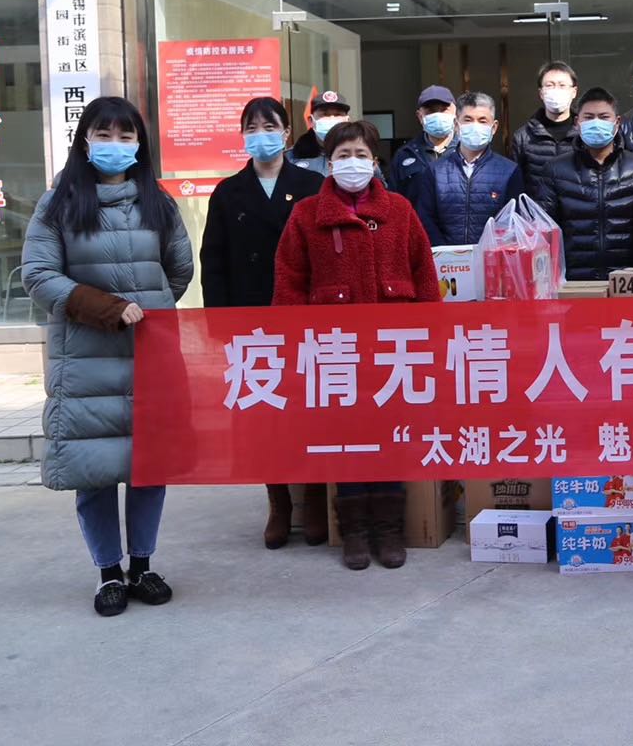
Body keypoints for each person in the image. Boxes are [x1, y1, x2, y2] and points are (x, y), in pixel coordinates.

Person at [21, 97, 193, 617]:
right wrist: (108, 310)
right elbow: (38, 275)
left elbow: (179, 270)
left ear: (139, 143)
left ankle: (142, 565)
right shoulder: (59, 202)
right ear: (85, 141)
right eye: (103, 134)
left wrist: (148, 311)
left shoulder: (159, 202)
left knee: (150, 466)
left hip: (151, 354)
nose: (114, 145)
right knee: (94, 471)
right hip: (85, 358)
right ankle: (108, 573)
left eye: (125, 135)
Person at [274, 120, 441, 571]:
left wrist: (430, 335)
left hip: (394, 351)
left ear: (375, 162)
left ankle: (388, 529)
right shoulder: (306, 215)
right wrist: (294, 342)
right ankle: (354, 531)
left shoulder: (400, 210)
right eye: (343, 155)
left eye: (361, 155)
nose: (353, 163)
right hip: (335, 353)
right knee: (346, 440)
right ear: (329, 164)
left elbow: (424, 273)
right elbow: (289, 281)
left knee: (390, 437)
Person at [200, 97, 326, 551]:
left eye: (269, 126)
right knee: (264, 415)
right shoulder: (227, 192)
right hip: (251, 321)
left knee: (310, 411)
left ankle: (314, 498)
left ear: (287, 133)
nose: (261, 135)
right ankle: (279, 503)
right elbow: (213, 262)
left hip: (305, 319)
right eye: (252, 127)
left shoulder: (312, 185)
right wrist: (219, 326)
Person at [536, 87, 633, 281]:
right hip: (573, 281)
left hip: (629, 281)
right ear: (577, 123)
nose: (596, 123)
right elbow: (544, 232)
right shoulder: (555, 170)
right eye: (589, 117)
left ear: (617, 123)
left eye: (604, 117)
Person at [411, 91, 523, 247]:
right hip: (446, 258)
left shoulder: (509, 171)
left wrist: (492, 251)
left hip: (492, 256)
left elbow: (513, 221)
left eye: (482, 121)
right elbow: (425, 217)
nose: (475, 126)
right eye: (468, 120)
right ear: (457, 125)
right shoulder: (436, 171)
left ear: (494, 127)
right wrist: (446, 252)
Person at [510, 60, 578, 200]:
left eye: (562, 85)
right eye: (550, 85)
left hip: (577, 212)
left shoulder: (585, 133)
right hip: (537, 212)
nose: (556, 91)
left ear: (574, 92)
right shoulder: (523, 136)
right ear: (541, 93)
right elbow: (516, 185)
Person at [389, 85, 457, 199]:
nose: (438, 115)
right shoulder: (404, 154)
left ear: (455, 113)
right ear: (420, 116)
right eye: (431, 111)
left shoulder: (467, 152)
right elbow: (394, 199)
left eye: (444, 109)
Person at [293, 90, 352, 177]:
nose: (332, 119)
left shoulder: (359, 154)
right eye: (325, 114)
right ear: (311, 121)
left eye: (337, 114)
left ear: (347, 120)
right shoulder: (292, 157)